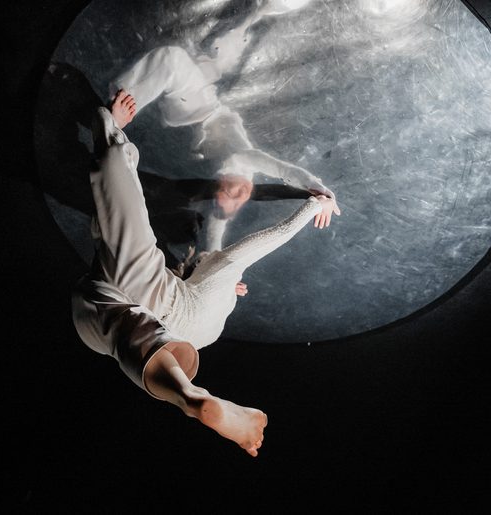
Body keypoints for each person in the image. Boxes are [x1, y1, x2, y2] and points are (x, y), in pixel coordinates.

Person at [71, 92, 340, 457]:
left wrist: (315, 196)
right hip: (157, 319)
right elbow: (218, 254)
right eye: (229, 192)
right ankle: (190, 394)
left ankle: (191, 394)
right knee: (125, 327)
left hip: (159, 304)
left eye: (239, 193)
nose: (231, 196)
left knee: (116, 190)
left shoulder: (243, 160)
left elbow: (246, 245)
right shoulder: (228, 172)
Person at [108, 0, 339, 251]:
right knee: (229, 42)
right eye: (241, 195)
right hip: (212, 99)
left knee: (172, 59)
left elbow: (214, 238)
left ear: (216, 191)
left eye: (227, 194)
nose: (237, 191)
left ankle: (119, 103)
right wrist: (321, 191)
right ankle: (262, 7)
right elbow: (285, 172)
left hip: (197, 110)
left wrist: (217, 273)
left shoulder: (233, 166)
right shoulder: (248, 163)